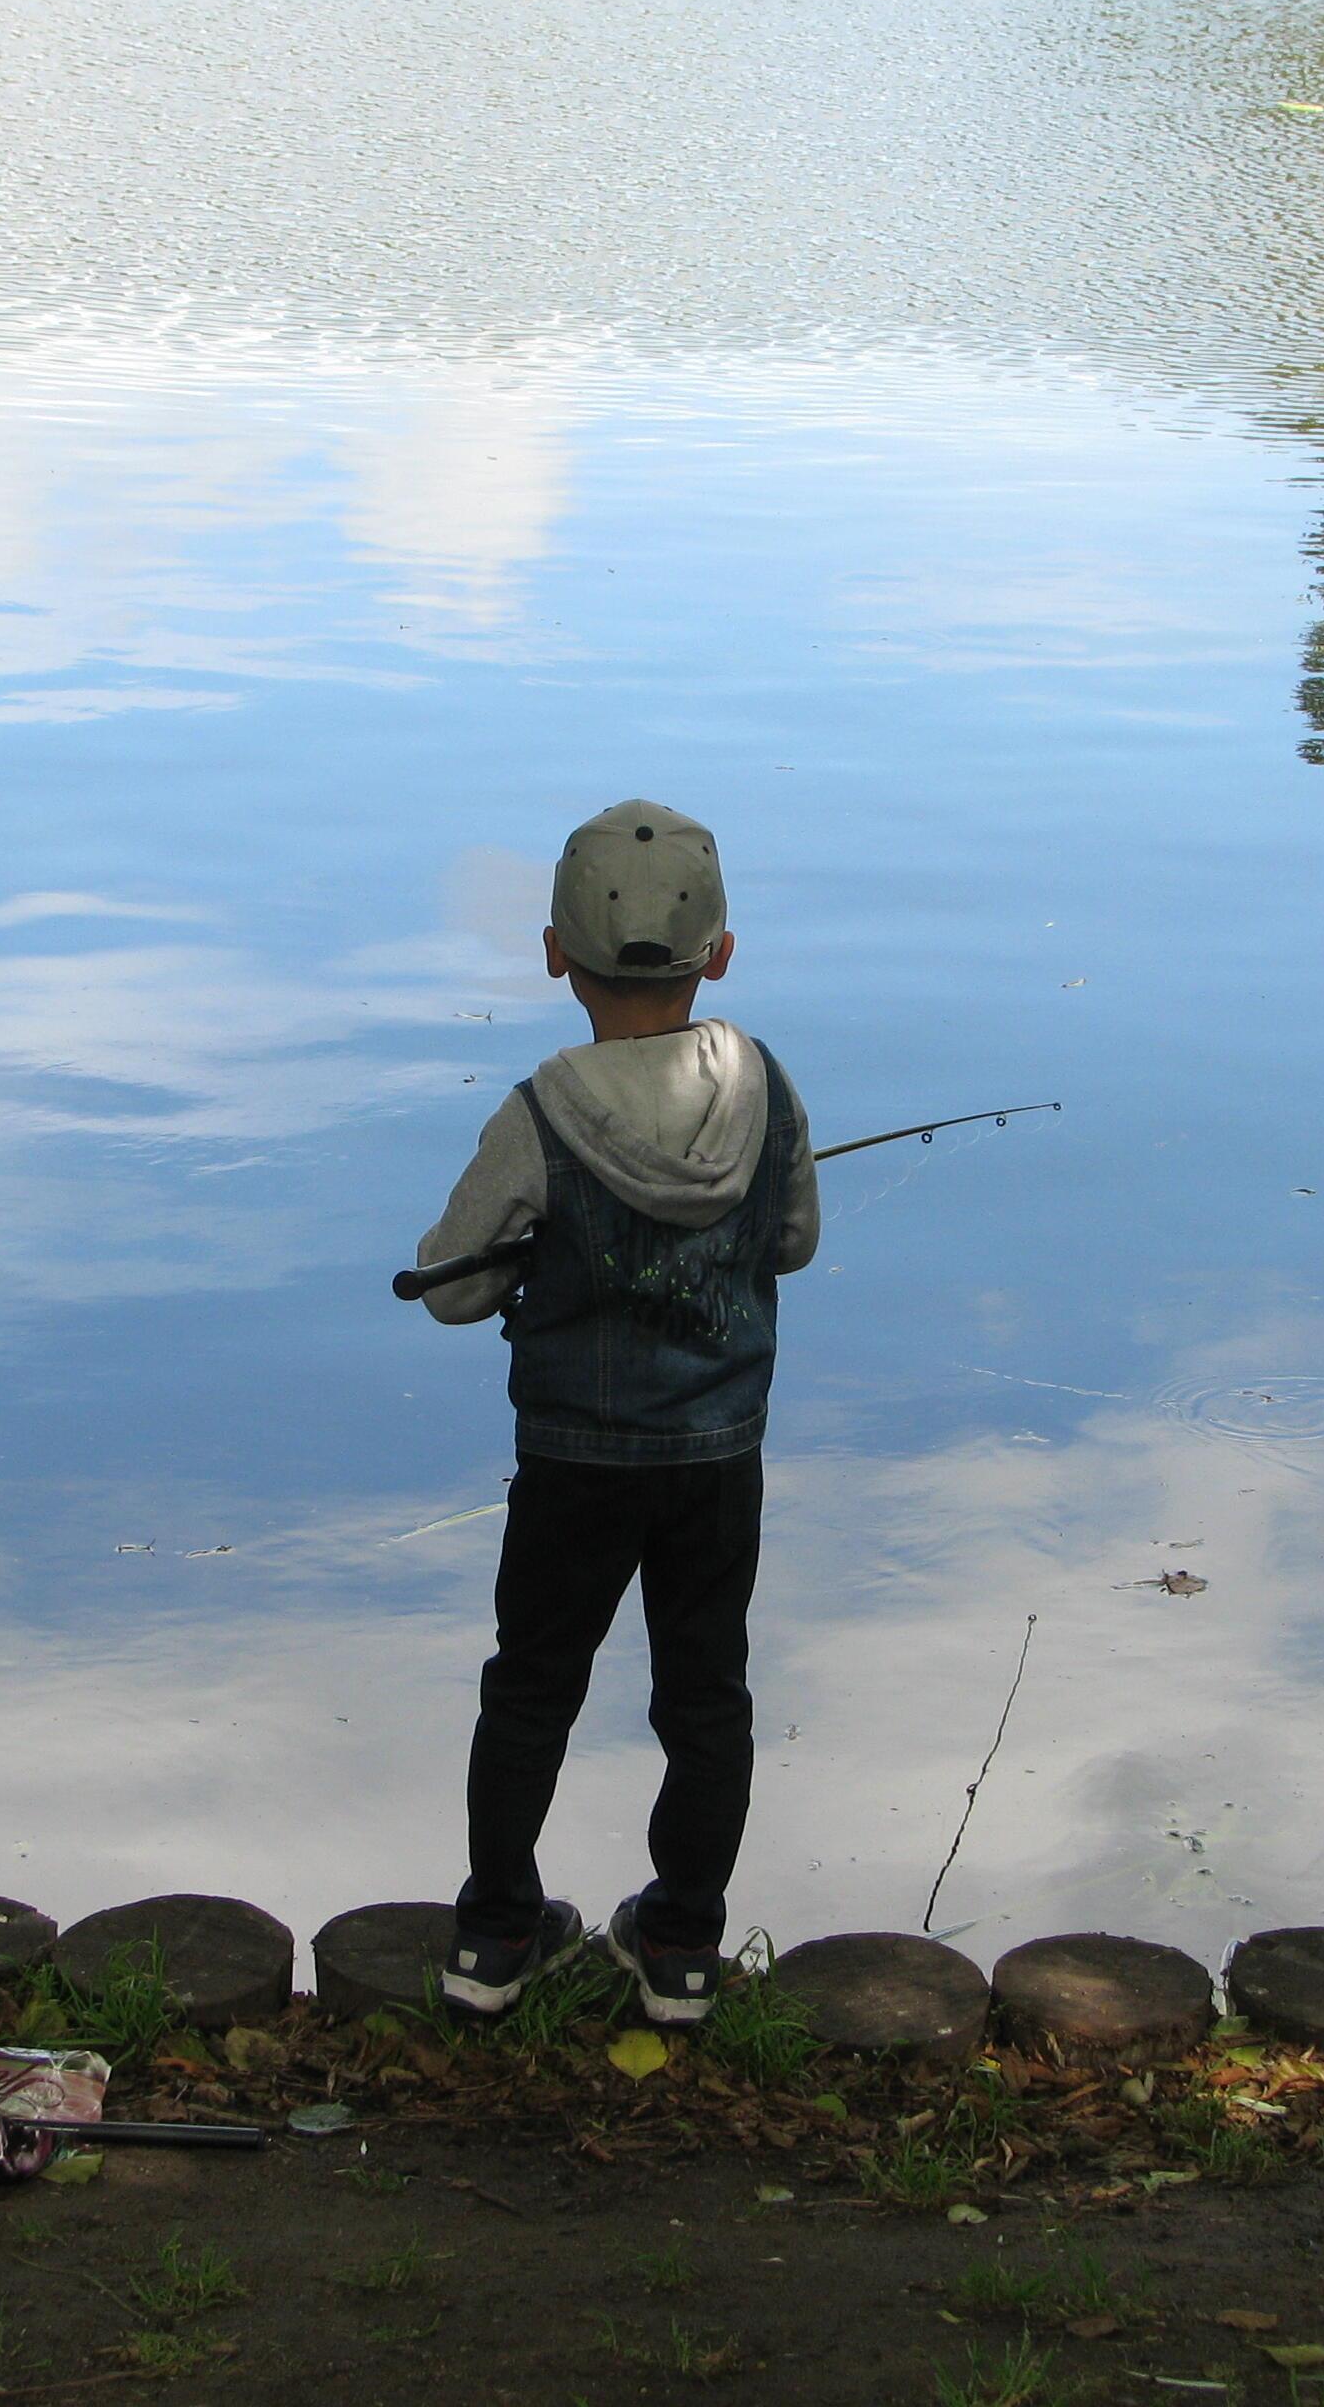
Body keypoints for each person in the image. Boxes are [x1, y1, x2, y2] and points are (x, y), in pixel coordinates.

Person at [410, 800, 820, 2025]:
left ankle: (492, 1939)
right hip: (716, 1459)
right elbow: (791, 1242)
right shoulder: (767, 1086)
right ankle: (684, 1945)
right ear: (722, 954)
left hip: (573, 1464)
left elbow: (454, 1289)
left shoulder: (537, 1117)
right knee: (707, 1694)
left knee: (532, 1685)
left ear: (553, 954)